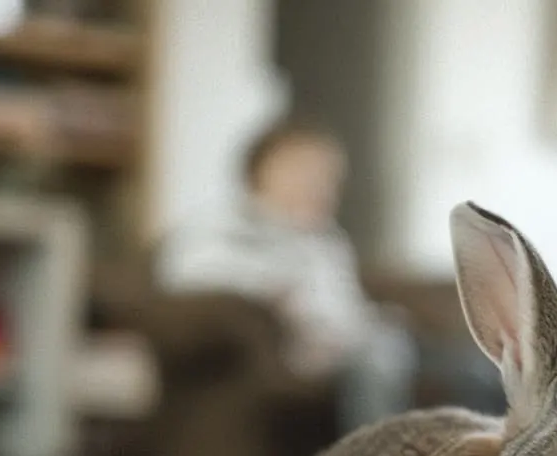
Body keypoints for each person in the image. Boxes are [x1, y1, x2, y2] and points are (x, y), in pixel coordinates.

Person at [156, 122, 417, 433]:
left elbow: (345, 311)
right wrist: (270, 289)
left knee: (469, 368)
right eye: (305, 172)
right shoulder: (221, 228)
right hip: (291, 351)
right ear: (260, 172)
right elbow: (187, 278)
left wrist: (371, 324)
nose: (319, 186)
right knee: (376, 362)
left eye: (329, 177)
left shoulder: (326, 241)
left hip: (344, 345)